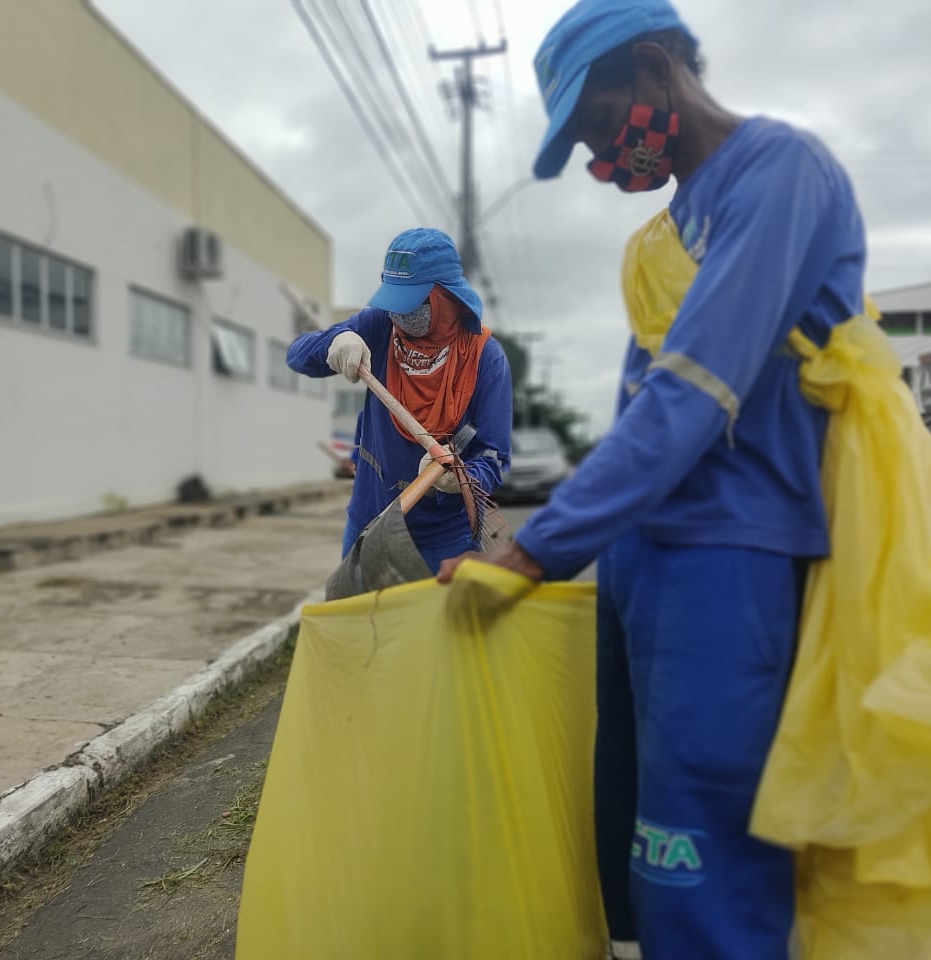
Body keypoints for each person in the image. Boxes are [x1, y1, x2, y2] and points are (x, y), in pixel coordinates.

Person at [438, 1, 868, 956]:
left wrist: (538, 548)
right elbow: (641, 416)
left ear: (653, 67)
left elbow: (697, 389)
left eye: (598, 125)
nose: (603, 159)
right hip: (643, 563)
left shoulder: (780, 173)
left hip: (731, 555)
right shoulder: (666, 230)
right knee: (634, 836)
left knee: (703, 850)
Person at [288, 228, 512, 573]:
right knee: (360, 623)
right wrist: (336, 340)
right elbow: (297, 355)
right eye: (393, 302)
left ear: (444, 296)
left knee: (436, 626)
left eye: (412, 304)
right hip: (369, 525)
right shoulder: (379, 327)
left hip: (444, 540)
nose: (399, 315)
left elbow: (494, 456)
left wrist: (461, 478)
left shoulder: (486, 359)